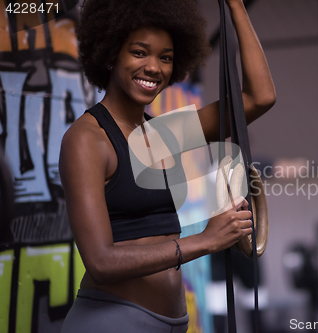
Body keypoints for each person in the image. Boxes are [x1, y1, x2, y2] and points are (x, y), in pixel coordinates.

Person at [59, 0, 275, 331]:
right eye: (139, 52)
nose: (153, 67)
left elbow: (259, 97)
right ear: (112, 51)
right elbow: (101, 262)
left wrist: (235, 6)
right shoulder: (88, 139)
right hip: (112, 321)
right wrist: (205, 240)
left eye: (165, 58)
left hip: (172, 323)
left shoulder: (163, 134)